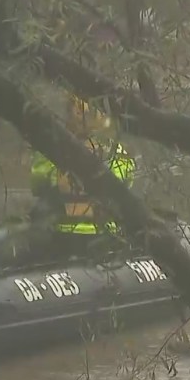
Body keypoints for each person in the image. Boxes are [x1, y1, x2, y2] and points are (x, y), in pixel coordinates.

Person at [28, 95, 137, 260]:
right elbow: (37, 181)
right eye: (76, 111)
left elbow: (122, 183)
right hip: (59, 234)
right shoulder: (52, 146)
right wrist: (58, 176)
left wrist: (92, 168)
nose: (79, 117)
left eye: (87, 113)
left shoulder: (116, 151)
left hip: (103, 235)